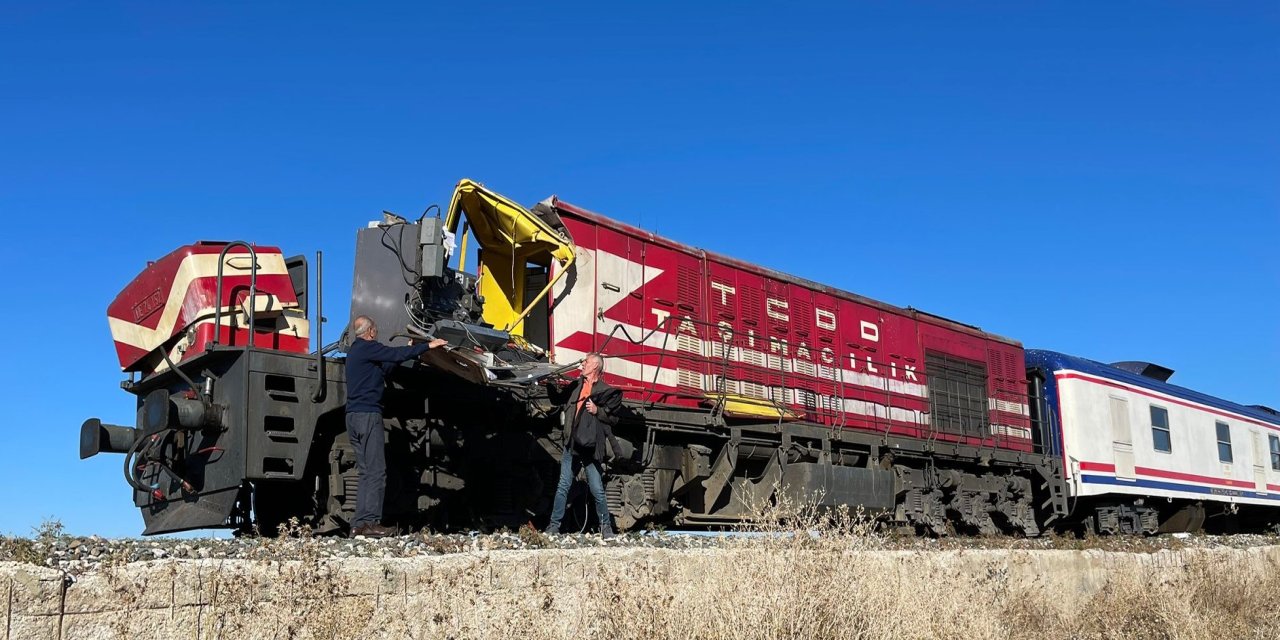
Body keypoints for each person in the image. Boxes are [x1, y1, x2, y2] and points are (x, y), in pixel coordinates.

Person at [344, 315, 447, 538]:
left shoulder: (356, 352)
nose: (377, 333)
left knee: (365, 472)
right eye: (376, 330)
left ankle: (358, 524)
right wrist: (427, 346)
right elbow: (394, 354)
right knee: (377, 472)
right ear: (370, 332)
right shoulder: (368, 348)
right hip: (368, 415)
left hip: (353, 417)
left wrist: (408, 348)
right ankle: (371, 522)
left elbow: (385, 368)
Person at [546, 352, 622, 537]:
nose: (582, 364)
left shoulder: (605, 390)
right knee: (563, 485)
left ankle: (606, 529)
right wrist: (549, 381)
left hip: (590, 448)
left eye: (586, 362)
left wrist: (598, 411)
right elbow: (557, 399)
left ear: (595, 366)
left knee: (596, 488)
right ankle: (553, 526)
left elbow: (614, 419)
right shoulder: (575, 386)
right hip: (571, 445)